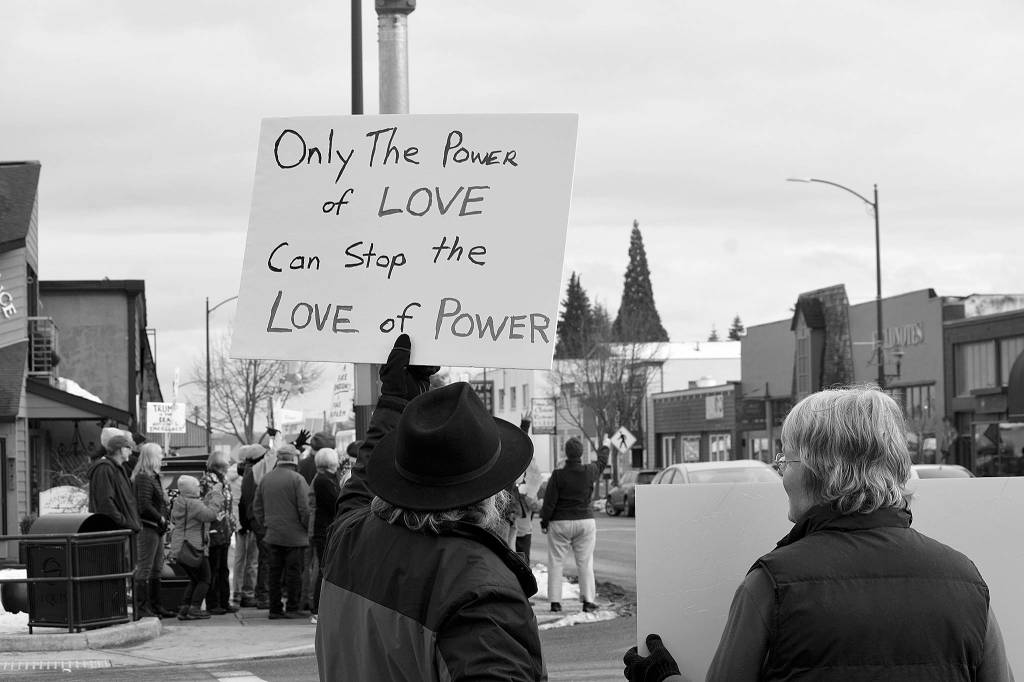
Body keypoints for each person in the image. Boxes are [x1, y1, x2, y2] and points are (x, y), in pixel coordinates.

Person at [624, 386, 1014, 682]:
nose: (781, 472)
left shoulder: (772, 585)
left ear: (819, 469)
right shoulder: (966, 581)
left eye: (785, 459)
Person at [315, 334, 545, 681]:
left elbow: (358, 491)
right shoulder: (479, 592)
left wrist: (394, 402)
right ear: (489, 493)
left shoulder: (349, 540)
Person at [539, 437, 609, 613]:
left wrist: (544, 521)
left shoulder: (557, 475)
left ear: (565, 453)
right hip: (584, 520)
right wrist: (605, 446)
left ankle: (555, 602)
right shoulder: (589, 471)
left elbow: (549, 502)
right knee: (585, 562)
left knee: (555, 562)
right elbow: (601, 463)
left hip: (560, 522)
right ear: (581, 453)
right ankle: (588, 601)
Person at [253, 444, 310, 619]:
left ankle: (275, 609)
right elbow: (305, 509)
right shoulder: (297, 479)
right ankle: (292, 607)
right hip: (296, 536)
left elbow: (257, 507)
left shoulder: (266, 479)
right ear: (293, 459)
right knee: (294, 573)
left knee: (274, 573)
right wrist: (307, 528)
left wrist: (266, 524)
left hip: (272, 534)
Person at [130, 443, 175, 618]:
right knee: (145, 567)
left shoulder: (152, 476)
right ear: (151, 457)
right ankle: (142, 607)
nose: (162, 457)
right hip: (148, 527)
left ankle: (156, 605)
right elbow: (144, 505)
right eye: (160, 454)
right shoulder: (144, 478)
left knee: (156, 568)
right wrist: (161, 518)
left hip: (156, 528)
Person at [168, 475, 223, 620]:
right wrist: (216, 494)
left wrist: (208, 498)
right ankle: (195, 608)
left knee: (195, 579)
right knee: (205, 578)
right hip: (193, 547)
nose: (199, 488)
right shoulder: (193, 504)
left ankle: (185, 609)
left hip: (180, 546)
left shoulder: (180, 501)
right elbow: (210, 514)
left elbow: (199, 511)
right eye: (197, 486)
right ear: (191, 489)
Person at [200, 452, 236, 615]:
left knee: (223, 568)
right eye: (227, 462)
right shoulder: (208, 481)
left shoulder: (224, 481)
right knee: (214, 567)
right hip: (214, 528)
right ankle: (213, 603)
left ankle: (224, 601)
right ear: (220, 464)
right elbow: (206, 505)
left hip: (225, 528)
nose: (229, 464)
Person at [308, 447, 341, 625]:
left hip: (323, 528)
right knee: (323, 569)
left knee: (322, 568)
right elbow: (336, 502)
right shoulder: (324, 481)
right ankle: (316, 609)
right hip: (325, 530)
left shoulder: (324, 478)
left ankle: (318, 608)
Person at [232, 444, 265, 607]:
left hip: (240, 522)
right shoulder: (252, 474)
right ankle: (247, 592)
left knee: (240, 559)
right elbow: (248, 502)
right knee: (252, 559)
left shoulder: (240, 473)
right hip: (248, 522)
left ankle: (238, 592)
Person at [88, 434, 142, 533]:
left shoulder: (116, 468)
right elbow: (105, 502)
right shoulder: (105, 468)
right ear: (121, 449)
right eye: (128, 448)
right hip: (114, 532)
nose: (131, 452)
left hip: (120, 530)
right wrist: (124, 522)